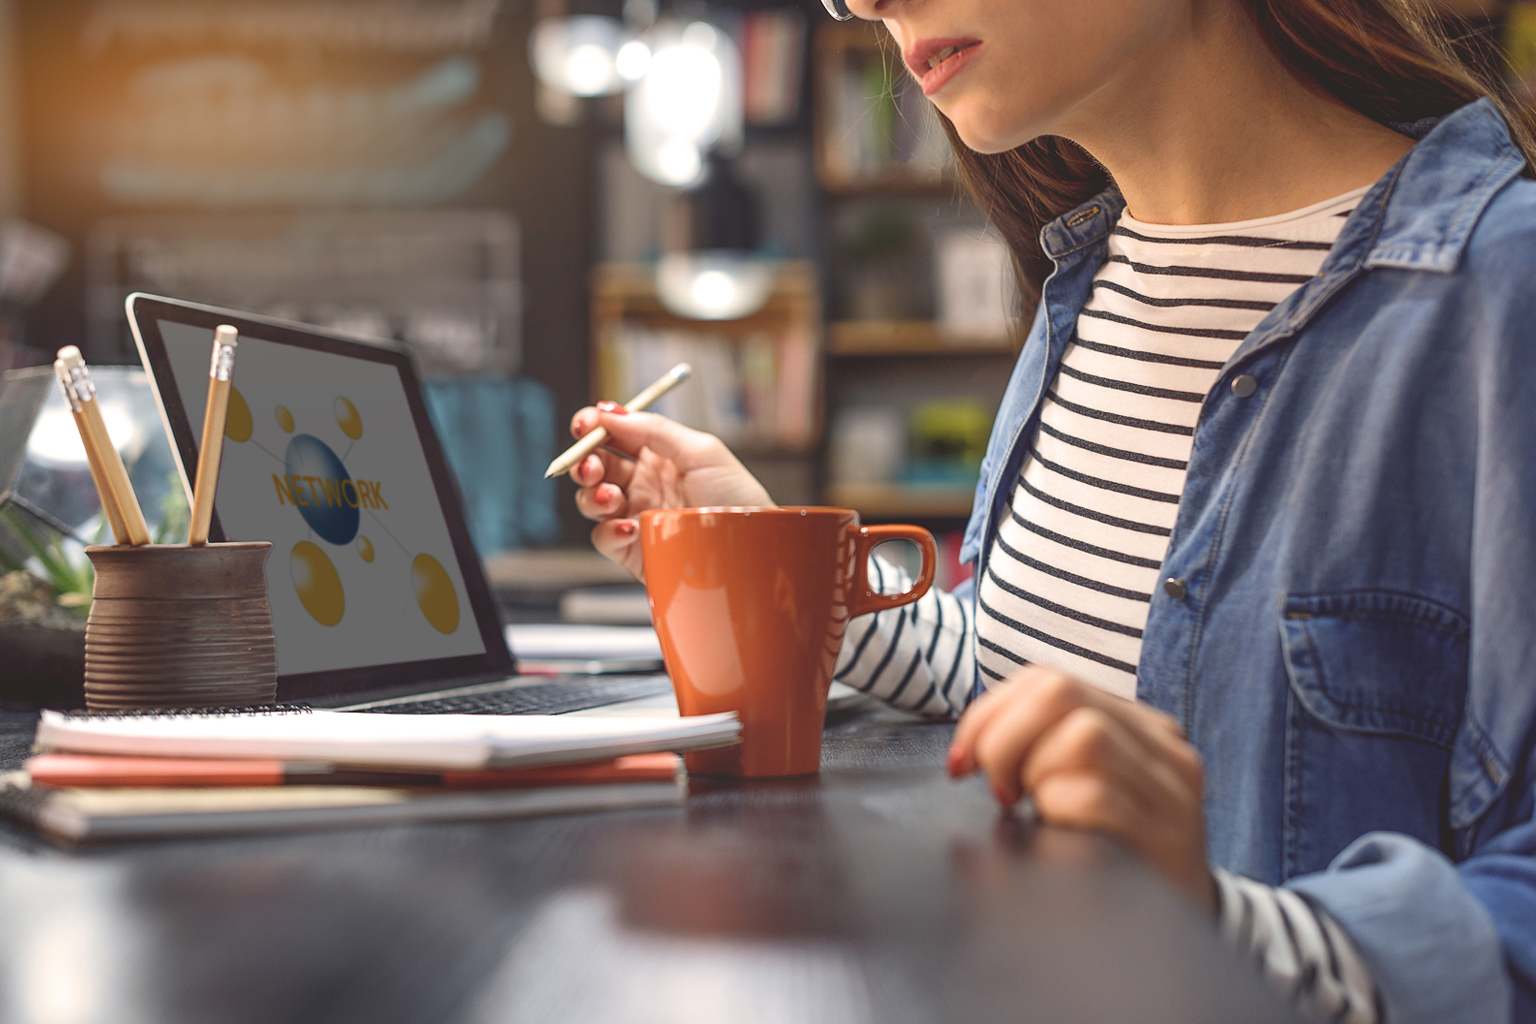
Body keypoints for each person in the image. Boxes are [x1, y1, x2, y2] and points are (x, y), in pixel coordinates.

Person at [566, 0, 1536, 1015]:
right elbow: (1027, 678)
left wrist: (1227, 933)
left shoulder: (1502, 297)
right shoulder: (1091, 282)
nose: (860, 2)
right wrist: (772, 561)